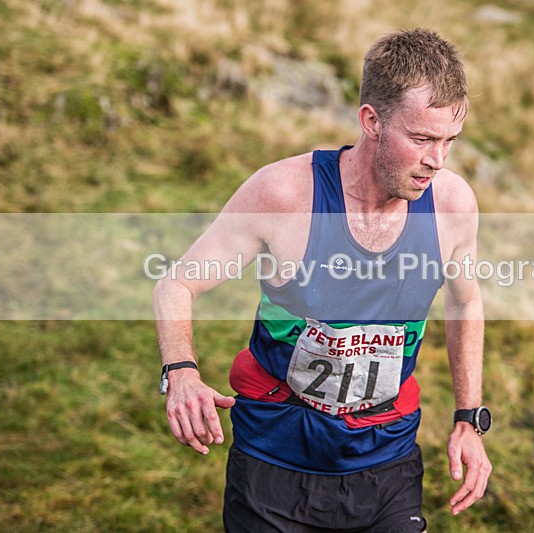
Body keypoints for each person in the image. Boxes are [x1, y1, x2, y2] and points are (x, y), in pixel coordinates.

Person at [153, 28, 492, 532]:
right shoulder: (284, 196)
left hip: (386, 457)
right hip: (274, 457)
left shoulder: (451, 205)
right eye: (421, 139)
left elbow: (465, 304)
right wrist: (180, 372)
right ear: (371, 121)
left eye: (448, 141)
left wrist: (469, 418)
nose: (436, 161)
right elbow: (177, 283)